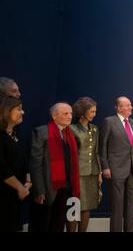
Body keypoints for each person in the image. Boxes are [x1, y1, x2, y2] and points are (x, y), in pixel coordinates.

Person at [29, 103, 80, 232]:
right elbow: (36, 164)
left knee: (58, 224)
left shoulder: (70, 134)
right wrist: (39, 190)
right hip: (47, 189)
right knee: (43, 224)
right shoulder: (41, 132)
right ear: (54, 115)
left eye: (71, 114)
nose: (70, 116)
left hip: (66, 188)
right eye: (65, 114)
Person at [99, 96, 133, 232]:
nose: (131, 107)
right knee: (117, 206)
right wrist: (105, 167)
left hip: (132, 169)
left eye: (130, 105)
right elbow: (103, 146)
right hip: (115, 169)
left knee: (131, 205)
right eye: (127, 105)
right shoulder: (109, 122)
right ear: (118, 108)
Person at [67, 97, 101, 232]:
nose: (94, 114)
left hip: (91, 173)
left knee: (87, 207)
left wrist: (99, 172)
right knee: (74, 206)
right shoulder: (71, 129)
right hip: (77, 174)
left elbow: (96, 152)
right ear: (82, 112)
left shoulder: (95, 129)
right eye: (91, 111)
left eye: (95, 111)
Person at [0, 96, 31, 231]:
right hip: (3, 195)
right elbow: (2, 168)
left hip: (15, 196)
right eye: (19, 109)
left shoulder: (16, 133)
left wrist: (28, 179)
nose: (22, 112)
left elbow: (24, 159)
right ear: (6, 111)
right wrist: (20, 188)